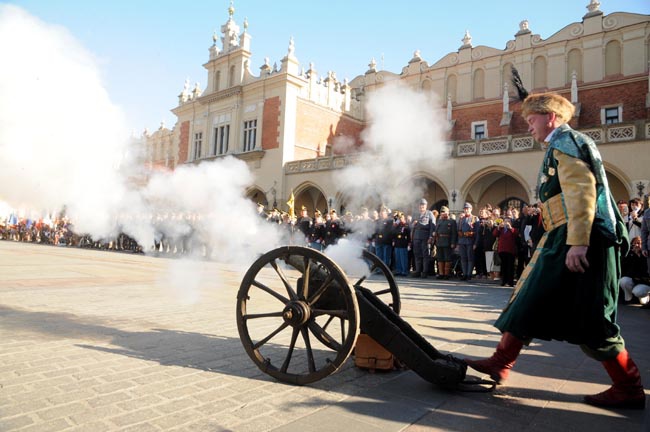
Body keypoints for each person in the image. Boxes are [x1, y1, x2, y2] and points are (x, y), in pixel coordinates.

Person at [464, 92, 644, 409]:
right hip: (561, 236)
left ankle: (628, 386)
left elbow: (582, 193)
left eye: (532, 120)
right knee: (529, 298)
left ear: (550, 117)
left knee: (593, 320)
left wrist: (579, 242)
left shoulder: (567, 143)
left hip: (581, 238)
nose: (529, 127)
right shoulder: (560, 145)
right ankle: (500, 362)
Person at [619, 236, 650, 304]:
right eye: (634, 243)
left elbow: (644, 270)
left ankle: (645, 296)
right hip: (634, 280)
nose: (636, 245)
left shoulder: (646, 255)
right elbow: (625, 268)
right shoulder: (630, 255)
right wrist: (632, 255)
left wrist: (639, 255)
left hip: (645, 282)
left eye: (639, 243)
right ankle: (629, 299)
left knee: (638, 292)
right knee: (623, 281)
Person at [410, 199, 435, 278]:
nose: (421, 206)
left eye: (423, 205)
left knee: (425, 255)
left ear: (426, 206)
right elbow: (410, 226)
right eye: (420, 205)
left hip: (425, 236)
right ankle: (418, 270)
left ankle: (425, 271)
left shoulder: (429, 213)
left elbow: (432, 226)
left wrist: (430, 237)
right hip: (416, 236)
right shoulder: (415, 214)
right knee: (417, 254)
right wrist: (413, 224)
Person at [457, 202, 479, 280]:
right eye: (465, 209)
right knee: (463, 258)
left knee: (470, 258)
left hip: (470, 241)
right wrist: (458, 243)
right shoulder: (461, 219)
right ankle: (465, 274)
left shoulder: (475, 218)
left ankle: (469, 274)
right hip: (462, 241)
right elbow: (458, 230)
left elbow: (477, 232)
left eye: (467, 209)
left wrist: (475, 243)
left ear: (471, 209)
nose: (466, 210)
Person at [434, 206, 457, 279]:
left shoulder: (452, 221)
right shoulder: (439, 221)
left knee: (447, 258)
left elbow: (454, 233)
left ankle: (446, 274)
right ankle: (441, 274)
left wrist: (453, 242)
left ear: (448, 212)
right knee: (440, 258)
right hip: (439, 241)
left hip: (447, 241)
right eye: (442, 212)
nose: (443, 213)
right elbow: (436, 230)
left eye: (444, 212)